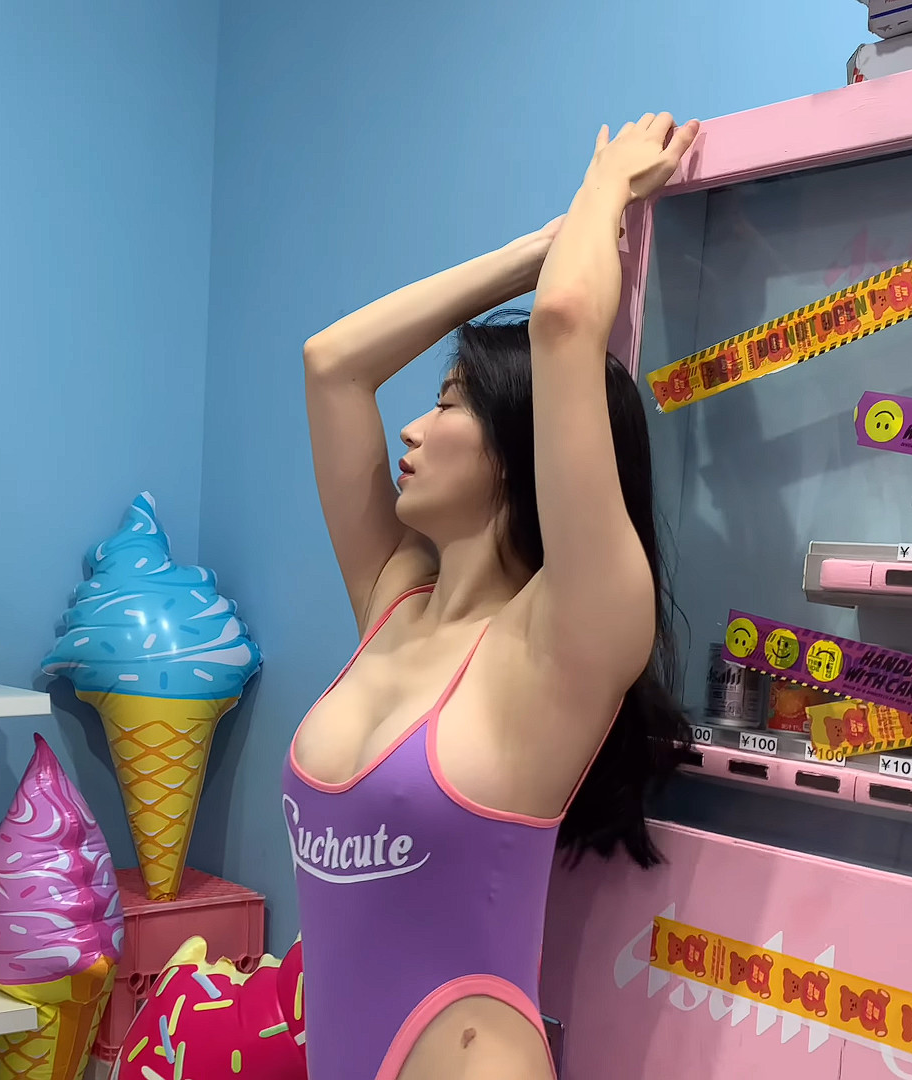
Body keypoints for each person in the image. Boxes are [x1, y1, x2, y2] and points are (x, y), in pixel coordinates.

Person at [281, 113, 700, 1080]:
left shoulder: (567, 634)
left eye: (447, 403)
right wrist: (530, 255)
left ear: (519, 449)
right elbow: (332, 363)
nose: (413, 430)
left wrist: (605, 189)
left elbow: (565, 328)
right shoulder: (393, 599)